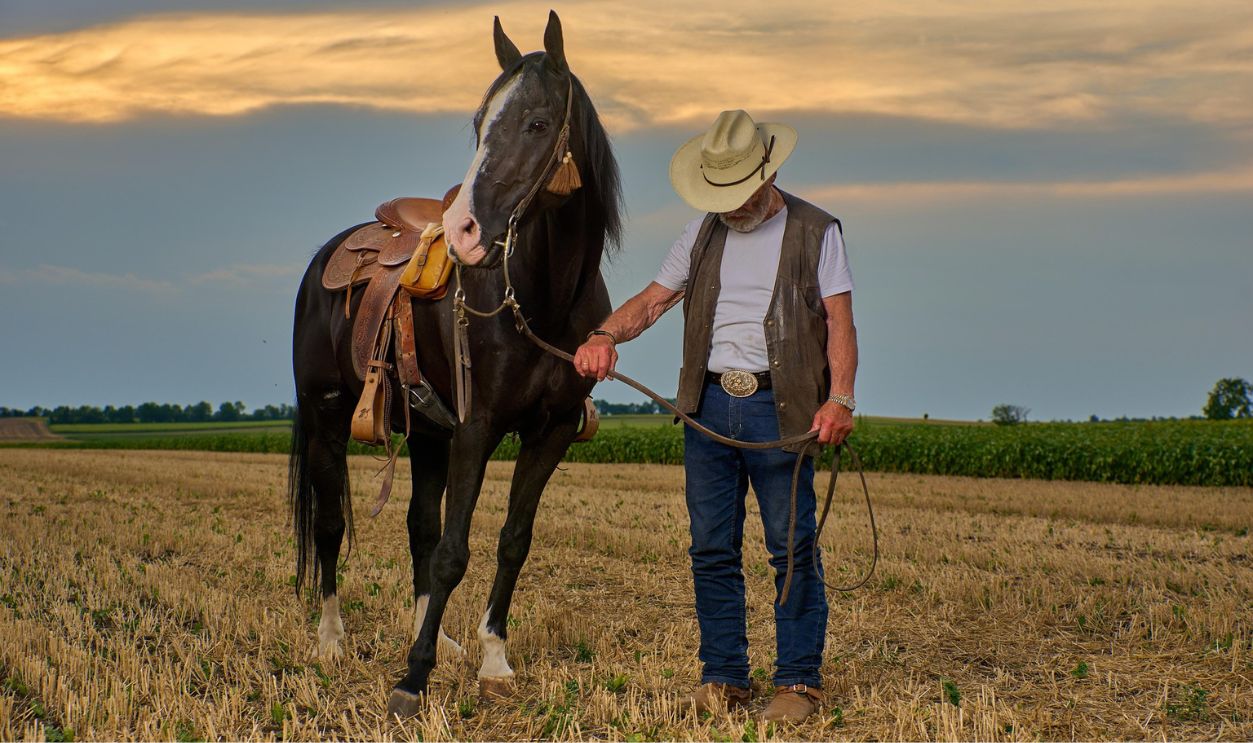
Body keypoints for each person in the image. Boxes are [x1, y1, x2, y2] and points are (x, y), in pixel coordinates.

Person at [572, 110, 858, 723]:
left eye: (737, 193)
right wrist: (603, 334)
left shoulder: (816, 230)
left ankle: (798, 683)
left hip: (779, 408)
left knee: (791, 549)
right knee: (711, 550)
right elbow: (652, 300)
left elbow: (840, 321)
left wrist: (842, 398)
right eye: (718, 195)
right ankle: (725, 676)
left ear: (770, 170)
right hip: (706, 406)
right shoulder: (701, 233)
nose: (728, 207)